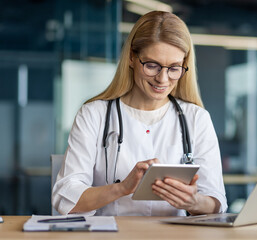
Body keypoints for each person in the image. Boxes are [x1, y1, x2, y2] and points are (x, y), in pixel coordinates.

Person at [52, 11, 227, 216]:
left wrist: (193, 202)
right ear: (131, 58)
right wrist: (122, 188)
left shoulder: (196, 119)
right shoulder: (93, 115)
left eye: (173, 68)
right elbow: (65, 199)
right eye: (152, 65)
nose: (162, 79)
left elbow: (216, 203)